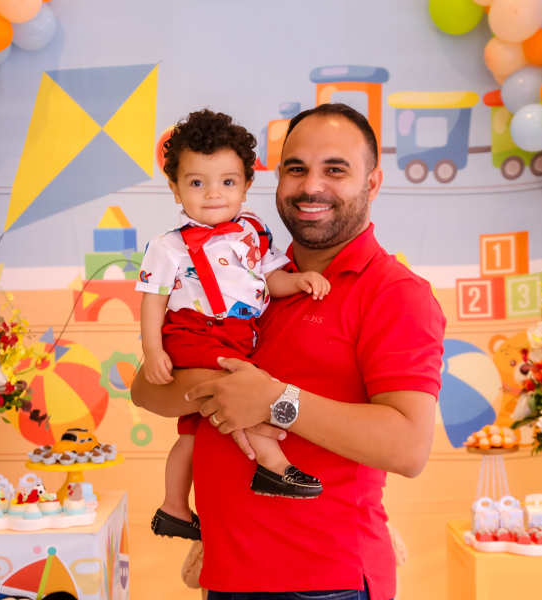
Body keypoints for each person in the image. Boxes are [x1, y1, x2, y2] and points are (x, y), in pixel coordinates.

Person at [132, 103, 446, 600]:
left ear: (373, 182)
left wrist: (276, 400)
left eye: (335, 170)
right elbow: (148, 389)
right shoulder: (247, 276)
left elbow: (407, 448)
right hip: (227, 572)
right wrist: (229, 391)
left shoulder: (394, 292)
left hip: (325, 584)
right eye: (296, 169)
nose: (311, 186)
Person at [138, 110, 332, 542]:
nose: (212, 194)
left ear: (246, 184)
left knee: (193, 430)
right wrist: (153, 351)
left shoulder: (254, 231)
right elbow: (152, 302)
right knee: (245, 387)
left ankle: (173, 508)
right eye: (196, 183)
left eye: (227, 182)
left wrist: (297, 281)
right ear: (174, 189)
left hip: (240, 334)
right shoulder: (167, 247)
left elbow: (270, 279)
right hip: (194, 333)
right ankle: (273, 464)